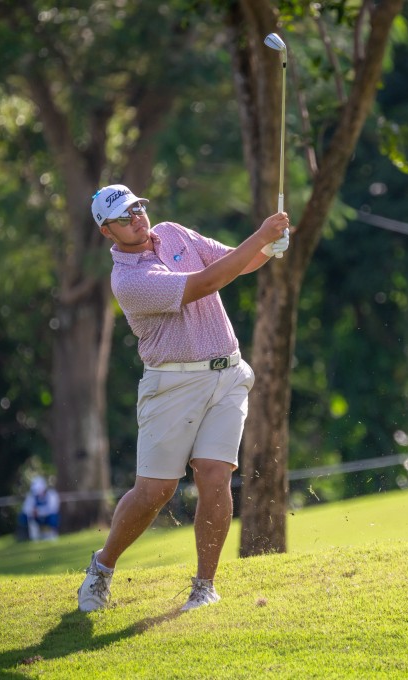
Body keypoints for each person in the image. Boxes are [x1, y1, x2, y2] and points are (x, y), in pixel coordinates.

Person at [78, 184, 290, 613]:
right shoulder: (129, 280)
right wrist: (263, 235)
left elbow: (234, 261)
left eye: (138, 207)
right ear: (107, 232)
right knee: (155, 491)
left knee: (215, 474)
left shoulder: (174, 232)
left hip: (227, 375)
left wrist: (268, 249)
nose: (137, 217)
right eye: (124, 216)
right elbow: (207, 281)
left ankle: (204, 586)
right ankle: (102, 567)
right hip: (171, 386)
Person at [19, 476, 61, 541]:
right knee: (24, 517)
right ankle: (33, 537)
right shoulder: (32, 496)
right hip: (36, 518)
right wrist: (32, 512)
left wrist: (39, 511)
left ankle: (53, 535)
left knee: (54, 517)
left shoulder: (52, 494)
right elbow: (26, 509)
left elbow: (53, 509)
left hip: (48, 517)